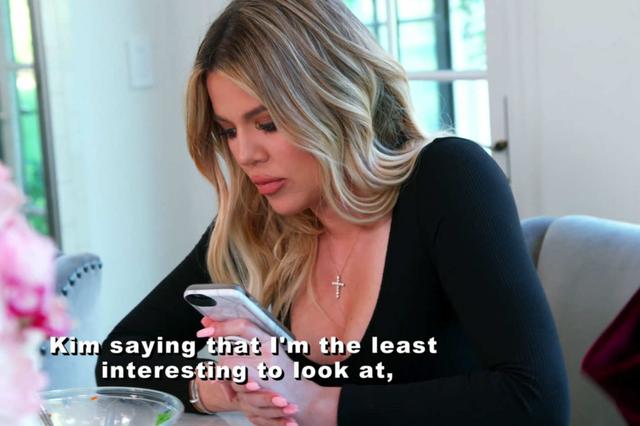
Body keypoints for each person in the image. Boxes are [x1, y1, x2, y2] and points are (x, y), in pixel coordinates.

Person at [96, 1, 570, 425]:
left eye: (267, 123)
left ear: (331, 99)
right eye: (229, 131)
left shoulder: (448, 179)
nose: (245, 154)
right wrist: (225, 389)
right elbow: (119, 359)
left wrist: (318, 403)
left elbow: (536, 400)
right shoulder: (255, 223)